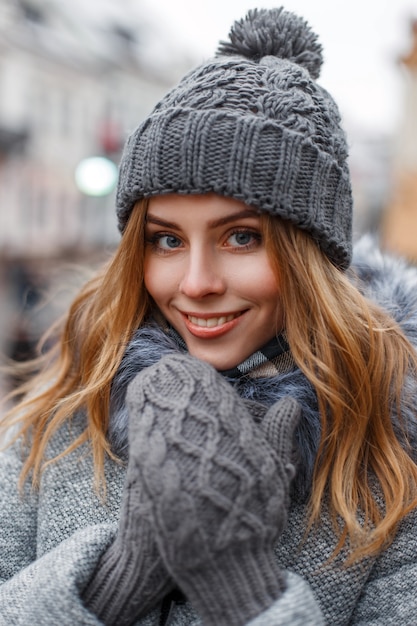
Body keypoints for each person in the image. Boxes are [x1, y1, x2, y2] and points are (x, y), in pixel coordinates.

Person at [1, 7, 417, 625]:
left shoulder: (390, 457)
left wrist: (238, 581)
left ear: (310, 255)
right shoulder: (66, 410)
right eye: (166, 240)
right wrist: (119, 578)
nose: (195, 283)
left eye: (242, 237)